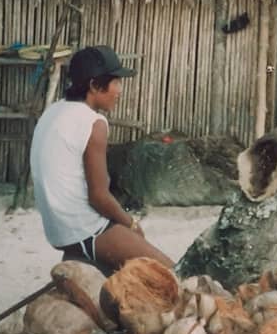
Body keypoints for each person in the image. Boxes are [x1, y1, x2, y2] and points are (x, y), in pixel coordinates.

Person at [30, 45, 174, 271]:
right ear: (95, 86)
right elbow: (98, 197)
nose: (120, 90)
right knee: (171, 274)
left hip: (59, 231)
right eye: (115, 82)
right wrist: (132, 224)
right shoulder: (93, 123)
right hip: (86, 230)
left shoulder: (53, 111)